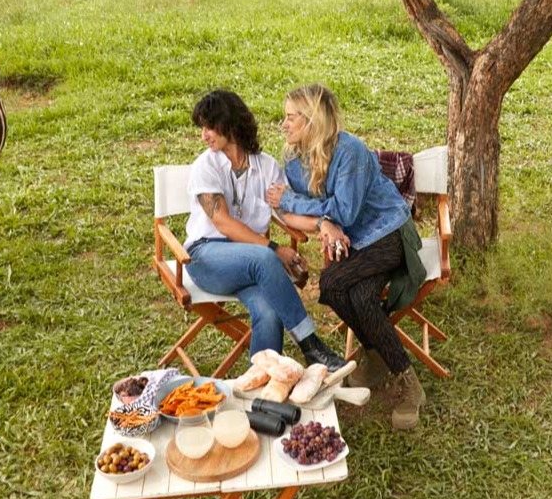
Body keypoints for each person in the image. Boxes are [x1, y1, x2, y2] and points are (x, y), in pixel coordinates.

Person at [266, 84, 427, 430]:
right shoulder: (294, 160)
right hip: (352, 243)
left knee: (332, 281)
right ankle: (380, 358)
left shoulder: (350, 151)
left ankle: (406, 383)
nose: (283, 124)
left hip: (388, 232)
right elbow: (288, 219)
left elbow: (344, 211)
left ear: (312, 122)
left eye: (291, 117)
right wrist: (323, 222)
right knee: (352, 294)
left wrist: (298, 205)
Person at [182, 89, 345, 372]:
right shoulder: (205, 166)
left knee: (269, 313)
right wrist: (273, 250)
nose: (204, 135)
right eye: (202, 128)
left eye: (209, 126)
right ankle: (310, 345)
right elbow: (222, 222)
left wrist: (321, 224)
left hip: (250, 265)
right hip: (207, 258)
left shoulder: (266, 166)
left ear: (229, 124)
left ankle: (261, 389)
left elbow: (287, 214)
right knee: (266, 259)